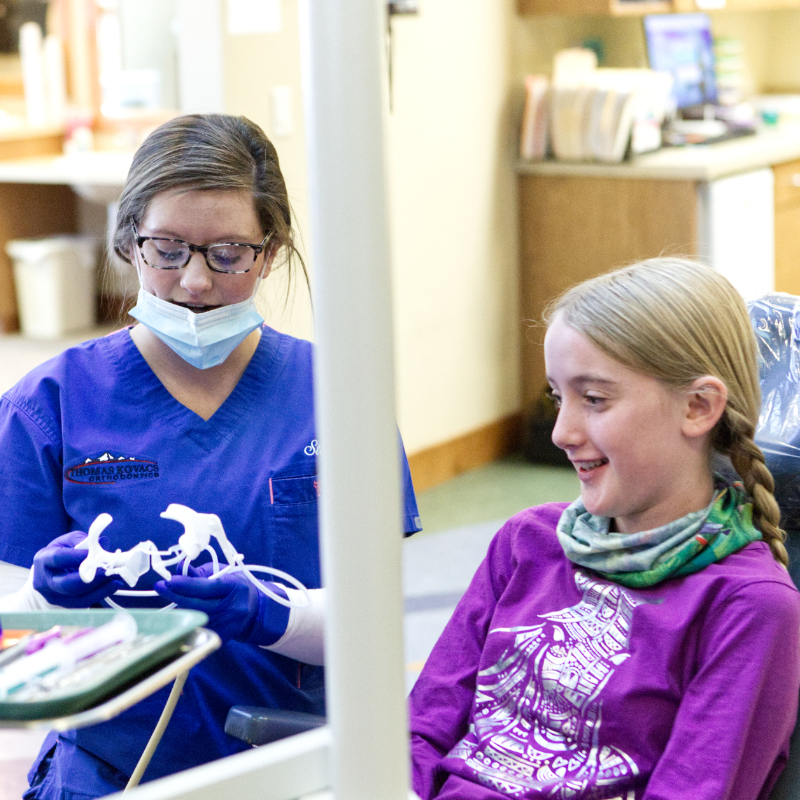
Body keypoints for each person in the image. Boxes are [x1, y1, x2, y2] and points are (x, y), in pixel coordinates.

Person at [0, 113, 421, 798]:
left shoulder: (340, 398)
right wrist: (43, 602)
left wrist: (272, 615)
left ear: (270, 252)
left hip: (293, 766)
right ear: (128, 241)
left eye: (228, 254)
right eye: (167, 249)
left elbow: (374, 627)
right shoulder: (49, 407)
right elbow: (9, 651)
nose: (194, 281)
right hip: (111, 774)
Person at [409, 257, 800, 800]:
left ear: (698, 407)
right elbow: (422, 729)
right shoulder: (527, 542)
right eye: (558, 397)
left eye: (594, 399)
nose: (561, 432)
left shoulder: (748, 605)